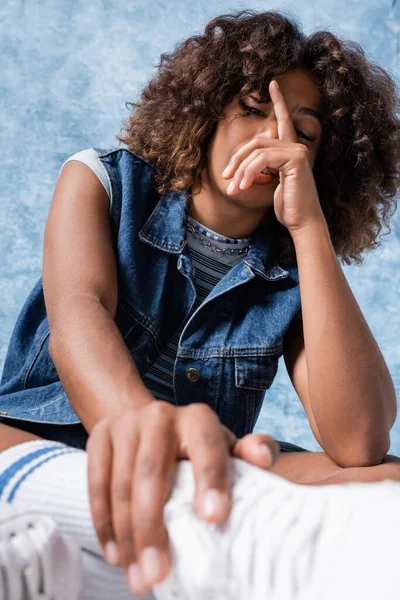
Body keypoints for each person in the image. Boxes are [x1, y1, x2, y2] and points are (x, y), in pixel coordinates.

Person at [0, 7, 399, 596]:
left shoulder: (295, 268)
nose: (273, 138)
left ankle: (158, 532)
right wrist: (150, 437)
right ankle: (191, 534)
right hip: (55, 436)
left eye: (302, 133)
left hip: (204, 463)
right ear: (207, 111)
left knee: (387, 481)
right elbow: (76, 318)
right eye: (253, 111)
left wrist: (310, 228)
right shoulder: (102, 182)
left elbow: (360, 441)